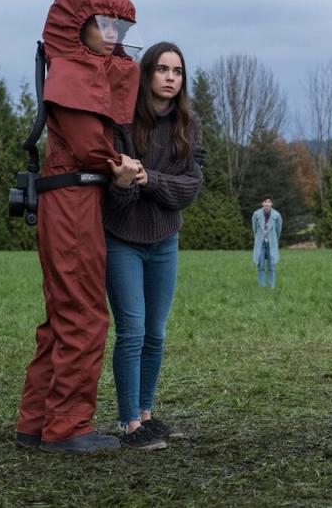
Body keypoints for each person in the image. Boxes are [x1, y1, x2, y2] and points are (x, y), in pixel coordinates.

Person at [16, 0, 143, 454]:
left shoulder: (73, 71)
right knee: (85, 315)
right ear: (78, 25)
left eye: (118, 27)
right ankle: (66, 426)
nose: (112, 35)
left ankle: (35, 422)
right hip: (71, 202)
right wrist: (122, 165)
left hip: (72, 200)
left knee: (63, 316)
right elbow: (91, 147)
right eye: (103, 24)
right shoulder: (72, 73)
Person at [103, 42, 203, 449]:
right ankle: (129, 423)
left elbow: (190, 187)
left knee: (155, 333)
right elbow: (116, 196)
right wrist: (126, 183)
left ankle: (146, 412)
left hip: (165, 240)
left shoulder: (188, 125)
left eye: (177, 71)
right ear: (146, 75)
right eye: (161, 69)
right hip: (122, 239)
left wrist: (148, 180)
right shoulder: (123, 124)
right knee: (132, 331)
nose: (170, 77)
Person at [252, 195, 283, 288]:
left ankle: (272, 286)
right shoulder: (256, 214)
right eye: (265, 202)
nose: (267, 204)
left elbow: (278, 230)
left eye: (269, 202)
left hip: (271, 244)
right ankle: (262, 286)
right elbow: (254, 229)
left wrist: (273, 240)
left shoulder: (277, 215)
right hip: (260, 244)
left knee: (271, 266)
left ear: (271, 204)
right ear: (262, 204)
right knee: (260, 265)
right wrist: (259, 239)